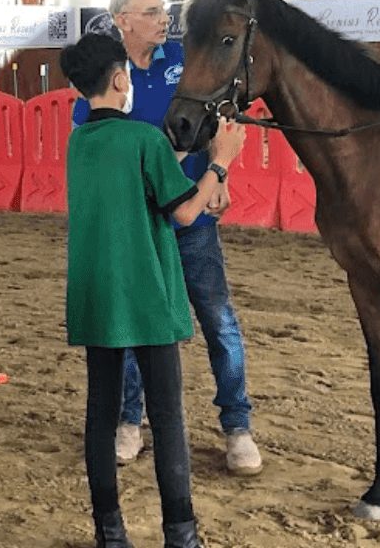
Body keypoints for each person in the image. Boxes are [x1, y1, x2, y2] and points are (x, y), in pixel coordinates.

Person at [63, 32, 246, 548]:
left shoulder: (80, 142)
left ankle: (110, 532)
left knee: (100, 417)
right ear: (122, 80)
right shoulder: (144, 140)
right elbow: (186, 211)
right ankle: (180, 534)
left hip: (98, 299)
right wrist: (221, 162)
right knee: (167, 419)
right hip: (148, 297)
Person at [74, 0, 262, 476]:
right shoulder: (105, 82)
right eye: (153, 12)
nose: (165, 20)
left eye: (165, 11)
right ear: (123, 21)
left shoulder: (184, 58)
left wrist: (220, 178)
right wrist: (209, 174)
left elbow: (220, 117)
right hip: (145, 225)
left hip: (191, 218)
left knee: (218, 320)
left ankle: (238, 426)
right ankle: (130, 421)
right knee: (139, 327)